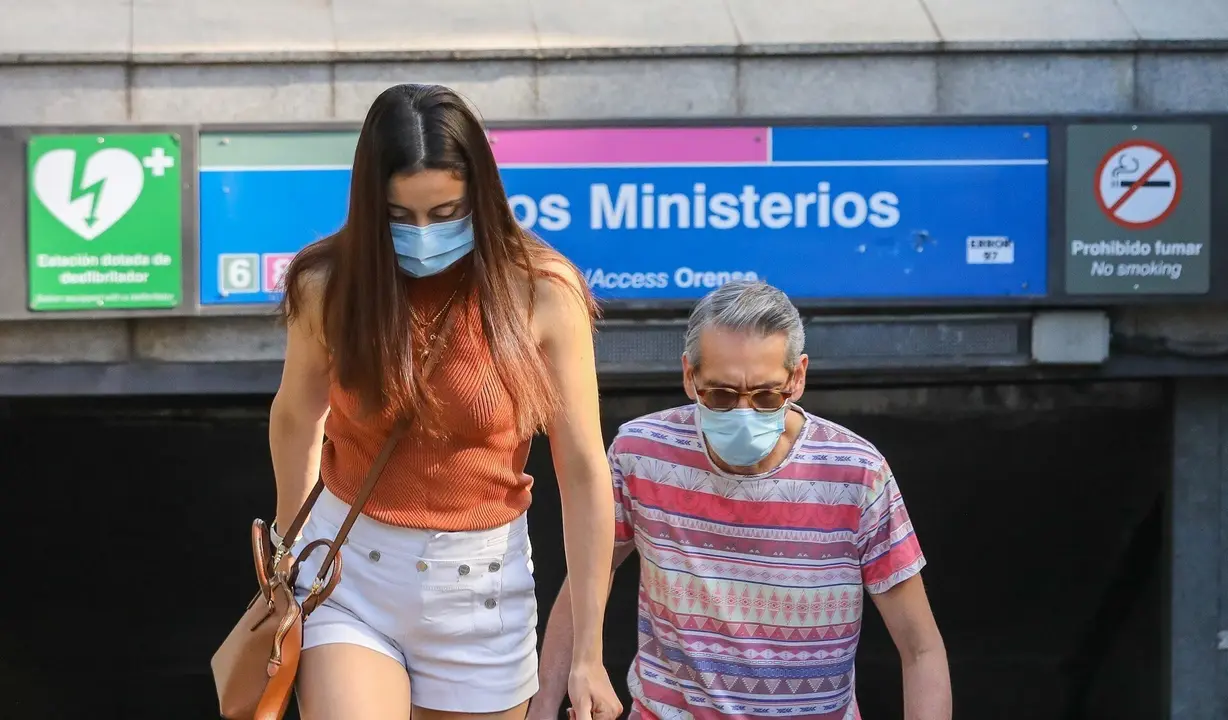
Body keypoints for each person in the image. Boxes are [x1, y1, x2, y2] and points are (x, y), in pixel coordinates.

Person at [270, 83, 622, 720]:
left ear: (481, 198)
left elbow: (584, 470)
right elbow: (297, 415)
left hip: (481, 586)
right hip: (350, 572)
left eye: (446, 212)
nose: (424, 233)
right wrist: (287, 561)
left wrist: (587, 653)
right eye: (400, 216)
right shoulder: (328, 284)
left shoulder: (541, 290)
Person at [531, 280, 952, 720]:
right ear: (689, 377)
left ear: (798, 377)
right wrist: (544, 703)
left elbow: (921, 649)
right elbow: (589, 574)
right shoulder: (641, 454)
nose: (744, 413)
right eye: (722, 395)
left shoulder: (858, 473)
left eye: (767, 396)